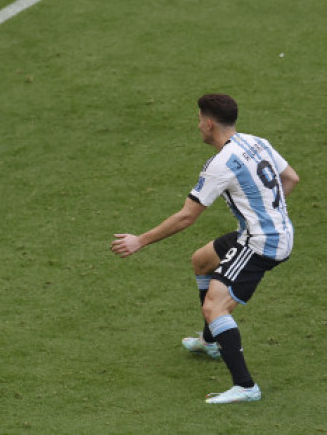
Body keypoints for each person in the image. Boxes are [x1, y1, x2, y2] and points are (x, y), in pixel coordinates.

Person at [110, 93, 299, 404]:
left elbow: (187, 216)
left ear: (209, 123)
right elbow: (290, 177)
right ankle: (210, 342)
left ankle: (246, 387)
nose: (198, 126)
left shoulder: (221, 163)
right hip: (269, 232)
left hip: (262, 242)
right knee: (202, 261)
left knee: (215, 307)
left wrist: (139, 240)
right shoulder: (256, 141)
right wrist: (268, 213)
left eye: (199, 120)